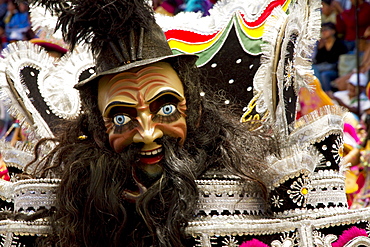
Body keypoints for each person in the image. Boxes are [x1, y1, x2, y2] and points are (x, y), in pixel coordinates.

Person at [23, 1, 277, 246]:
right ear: (99, 130)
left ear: (195, 111)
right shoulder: (76, 210)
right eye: (121, 118)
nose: (147, 135)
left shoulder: (250, 196)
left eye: (166, 109)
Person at [313, 22, 348, 92]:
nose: (323, 32)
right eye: (322, 30)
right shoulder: (322, 45)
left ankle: (326, 93)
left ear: (333, 31)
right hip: (322, 68)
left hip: (335, 69)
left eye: (325, 30)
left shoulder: (339, 44)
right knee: (313, 70)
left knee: (324, 75)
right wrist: (319, 48)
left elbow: (338, 60)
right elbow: (317, 60)